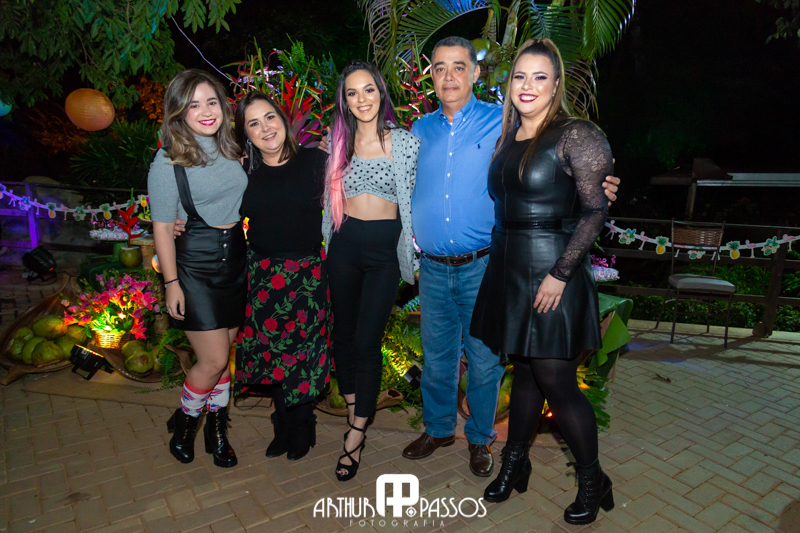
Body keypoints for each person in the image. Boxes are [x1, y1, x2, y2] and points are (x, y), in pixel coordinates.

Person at [402, 36, 620, 478]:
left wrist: (600, 187)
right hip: (436, 268)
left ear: (475, 73)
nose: (449, 76)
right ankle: (438, 429)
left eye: (459, 67)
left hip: (485, 265)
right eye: (440, 68)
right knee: (438, 358)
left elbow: (569, 167)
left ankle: (480, 439)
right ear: (431, 75)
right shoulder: (419, 131)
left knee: (485, 362)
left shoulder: (498, 123)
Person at [470, 39, 615, 524]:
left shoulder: (576, 134)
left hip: (554, 268)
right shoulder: (507, 138)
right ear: (509, 84)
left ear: (556, 85)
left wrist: (560, 273)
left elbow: (595, 210)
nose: (527, 86)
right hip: (508, 268)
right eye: (519, 76)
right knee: (526, 372)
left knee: (555, 379)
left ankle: (592, 480)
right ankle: (515, 464)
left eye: (539, 77)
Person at [322, 60, 419, 482]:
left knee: (367, 341)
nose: (362, 99)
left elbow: (430, 191)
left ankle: (356, 434)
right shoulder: (337, 143)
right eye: (352, 92)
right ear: (344, 101)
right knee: (342, 336)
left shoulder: (405, 143)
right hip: (343, 248)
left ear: (381, 92)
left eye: (368, 89)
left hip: (384, 254)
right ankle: (354, 410)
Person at [149, 69, 248, 468]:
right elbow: (161, 227)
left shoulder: (232, 147)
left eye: (211, 102)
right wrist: (171, 282)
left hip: (235, 260)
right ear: (178, 112)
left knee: (222, 356)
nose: (206, 111)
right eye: (194, 105)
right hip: (194, 264)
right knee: (213, 359)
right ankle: (187, 425)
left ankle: (217, 432)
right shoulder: (167, 161)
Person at [233, 91, 330, 461]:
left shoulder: (317, 160)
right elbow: (217, 213)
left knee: (303, 353)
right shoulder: (243, 173)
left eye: (269, 117)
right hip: (262, 274)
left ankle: (303, 424)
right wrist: (179, 220)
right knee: (272, 353)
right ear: (246, 133)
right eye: (253, 123)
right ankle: (282, 424)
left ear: (283, 119)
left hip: (307, 273)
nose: (265, 128)